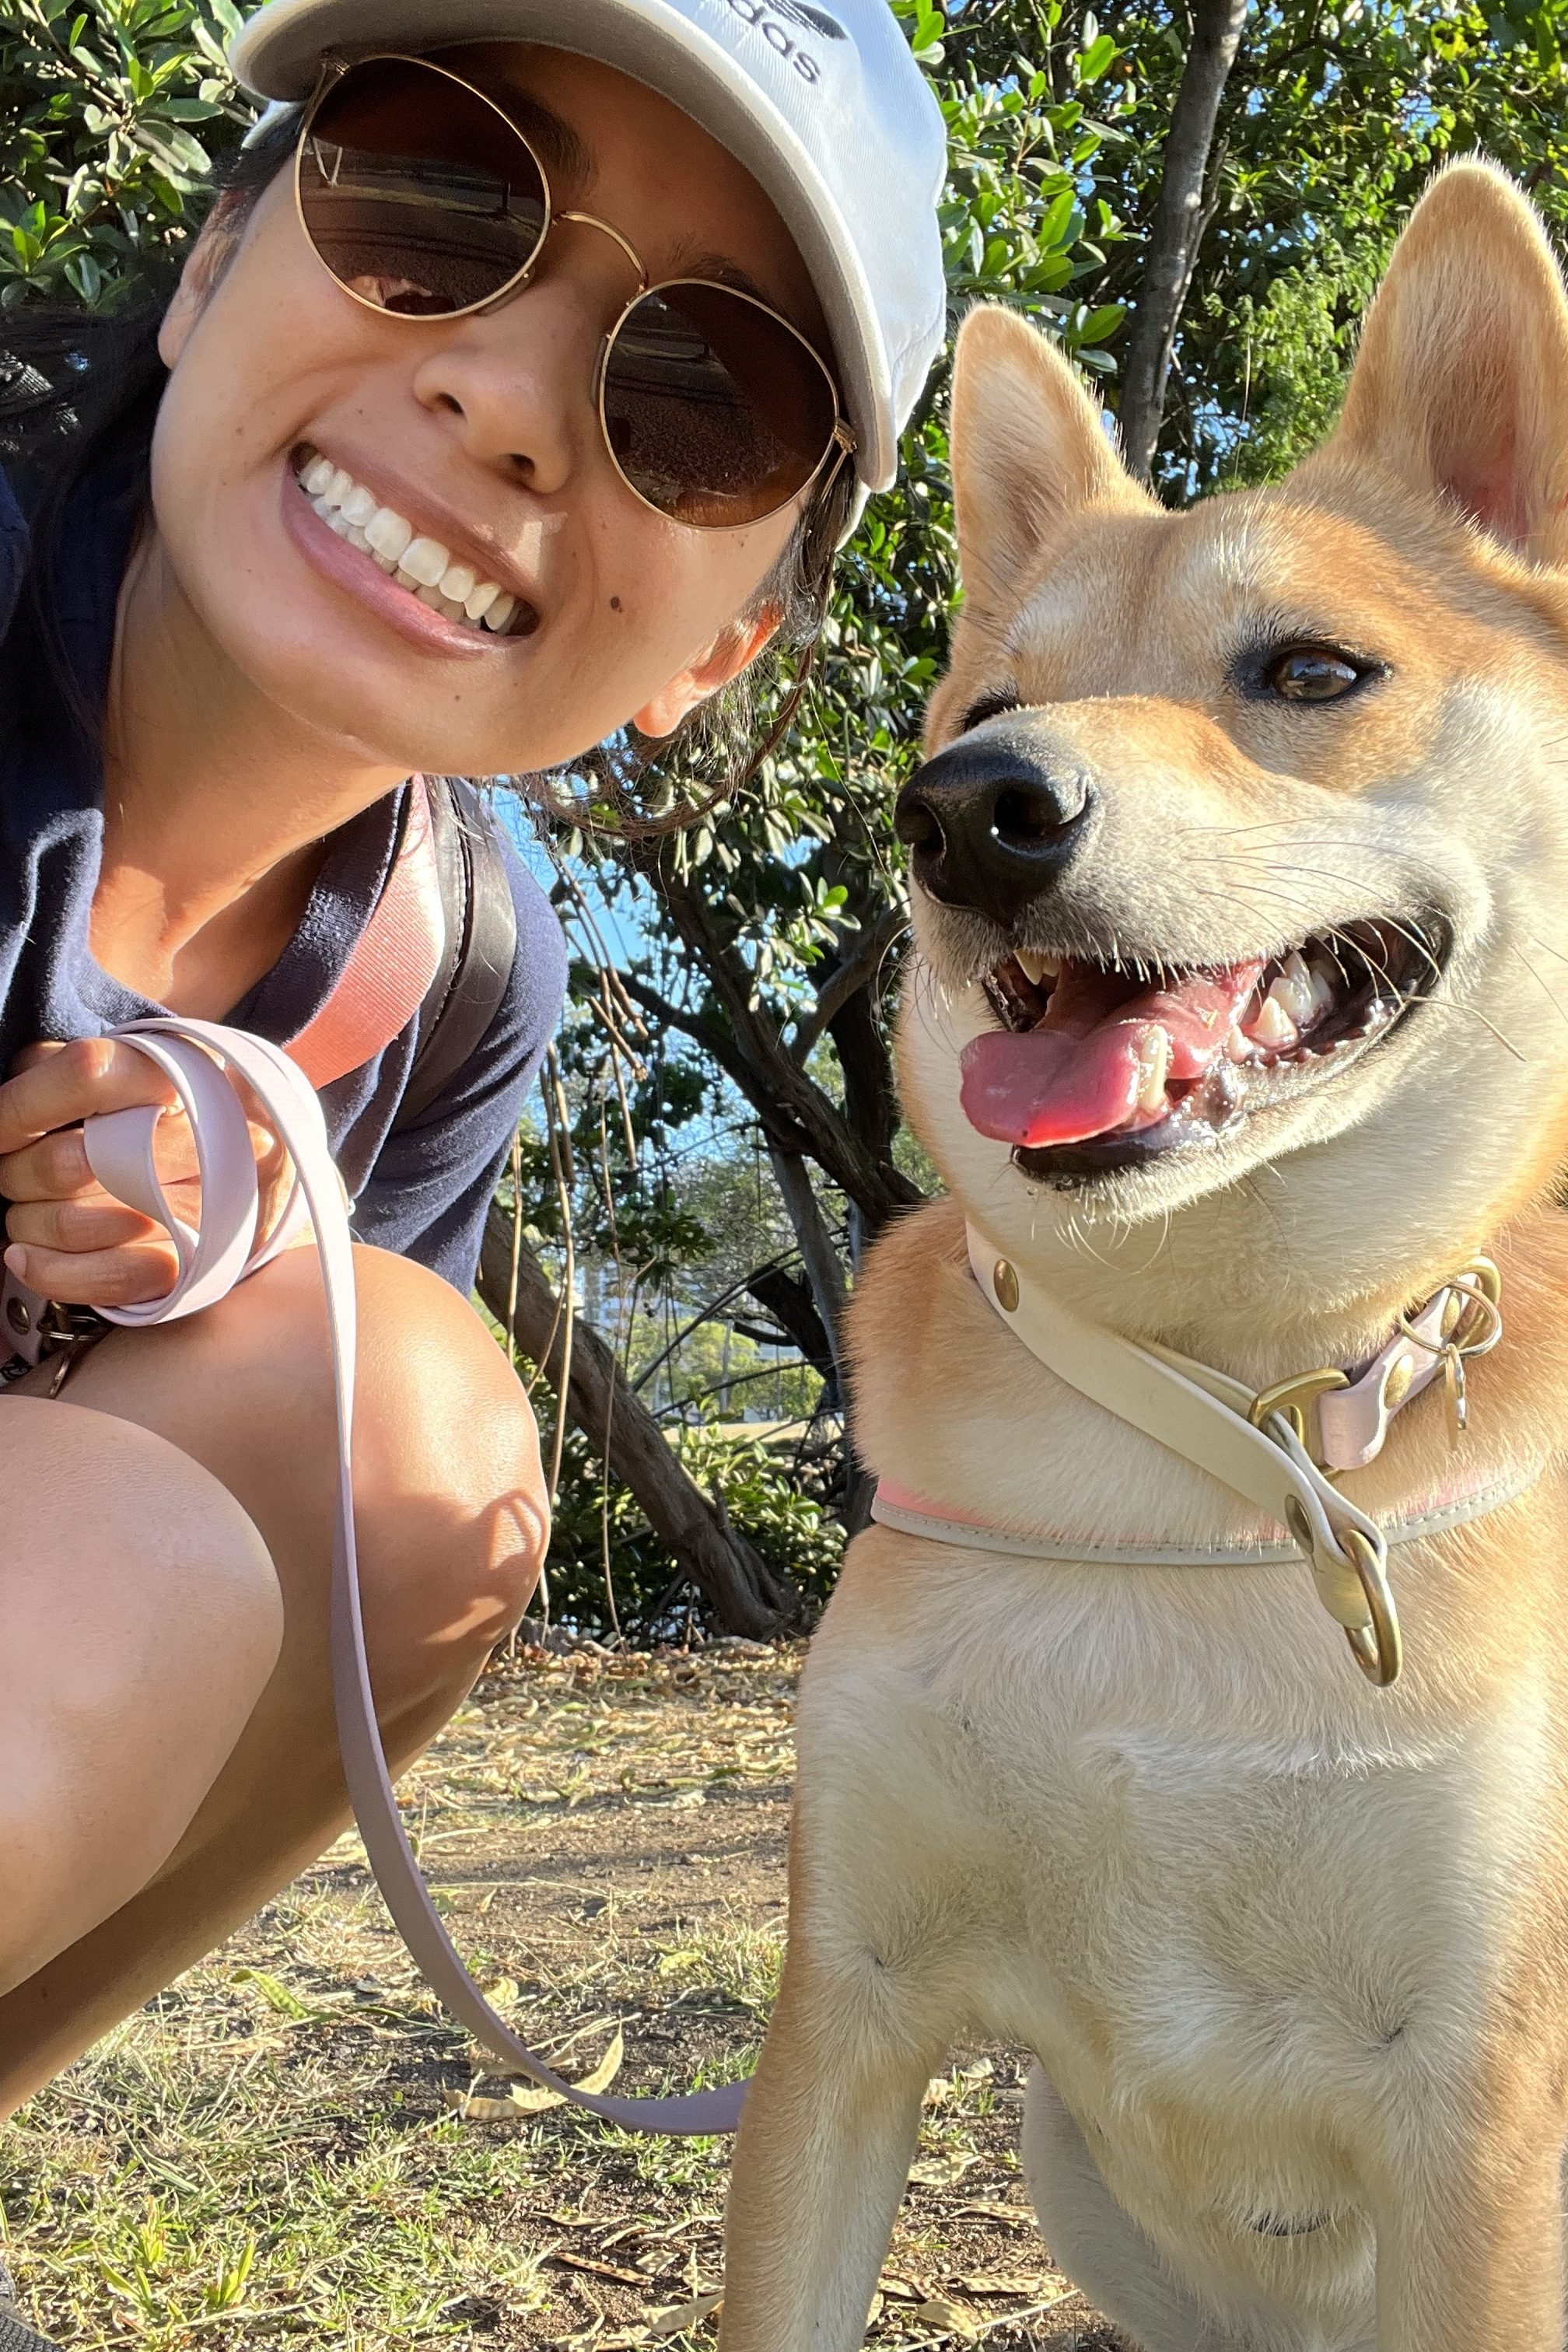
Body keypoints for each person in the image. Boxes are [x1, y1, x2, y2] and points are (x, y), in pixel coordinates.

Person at [0, 0, 945, 2332]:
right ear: (217, 258)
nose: (512, 401)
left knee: (412, 1433)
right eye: (434, 192)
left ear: (719, 649)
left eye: (696, 393)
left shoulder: (452, 970)